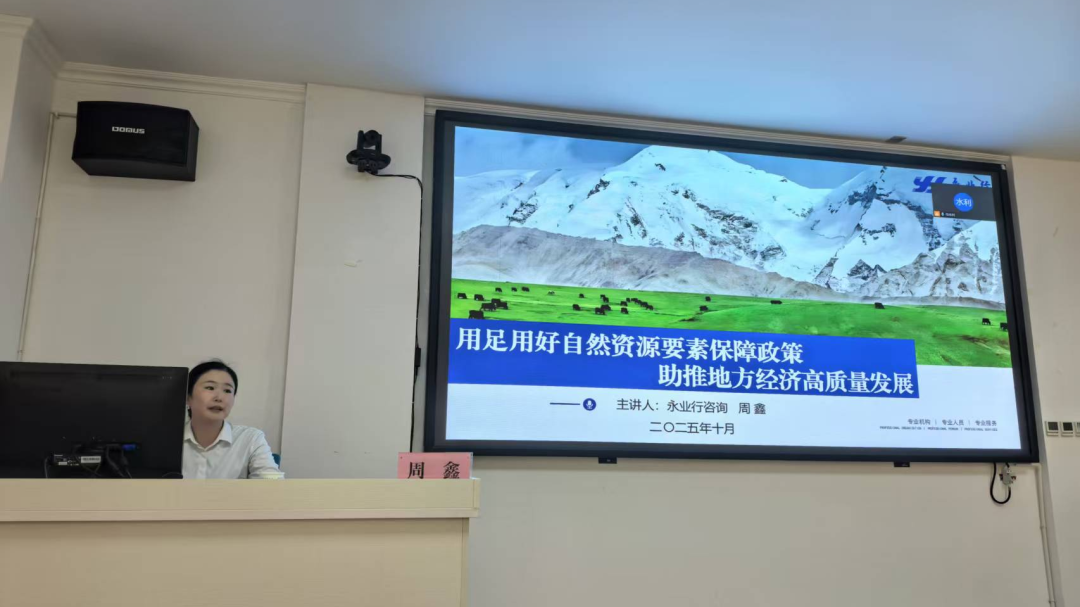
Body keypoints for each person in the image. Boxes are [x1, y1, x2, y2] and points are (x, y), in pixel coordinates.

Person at [183, 360, 284, 479]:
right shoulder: (166, 440)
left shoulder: (251, 439)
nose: (219, 397)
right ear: (188, 397)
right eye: (210, 388)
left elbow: (272, 484)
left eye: (227, 390)